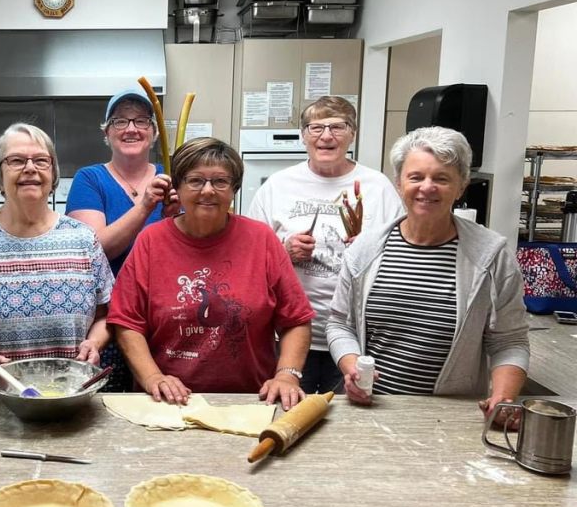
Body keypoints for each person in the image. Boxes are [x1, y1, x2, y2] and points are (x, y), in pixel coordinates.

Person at [326, 126, 529, 420]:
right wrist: (354, 368)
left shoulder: (491, 255)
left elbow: (510, 341)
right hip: (372, 410)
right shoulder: (365, 249)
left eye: (442, 178)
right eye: (416, 177)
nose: (427, 187)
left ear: (461, 186)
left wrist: (503, 396)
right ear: (399, 183)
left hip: (450, 417)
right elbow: (339, 324)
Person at [109, 137, 315, 410]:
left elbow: (296, 320)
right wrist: (152, 377)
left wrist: (287, 375)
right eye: (195, 181)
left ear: (234, 189)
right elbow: (126, 322)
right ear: (177, 188)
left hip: (251, 402)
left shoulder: (261, 239)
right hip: (168, 403)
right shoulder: (151, 241)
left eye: (220, 181)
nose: (208, 191)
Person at [0, 123, 114, 393]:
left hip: (67, 397)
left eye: (41, 160)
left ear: (53, 173)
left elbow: (106, 315)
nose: (30, 168)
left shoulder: (84, 239)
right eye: (16, 160)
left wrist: (94, 343)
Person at [247, 96, 402, 393]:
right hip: (287, 337)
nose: (326, 136)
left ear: (353, 133)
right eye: (316, 127)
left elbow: (402, 254)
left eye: (337, 127)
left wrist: (369, 252)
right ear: (303, 135)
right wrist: (284, 252)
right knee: (286, 411)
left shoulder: (378, 187)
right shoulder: (277, 186)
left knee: (352, 415)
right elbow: (249, 257)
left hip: (356, 339)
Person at [66, 88, 176, 391]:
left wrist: (177, 218)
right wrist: (145, 206)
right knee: (107, 403)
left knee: (163, 399)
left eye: (141, 121)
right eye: (120, 121)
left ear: (154, 132)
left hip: (164, 319)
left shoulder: (174, 177)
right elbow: (94, 249)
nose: (131, 128)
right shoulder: (90, 179)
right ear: (107, 132)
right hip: (107, 323)